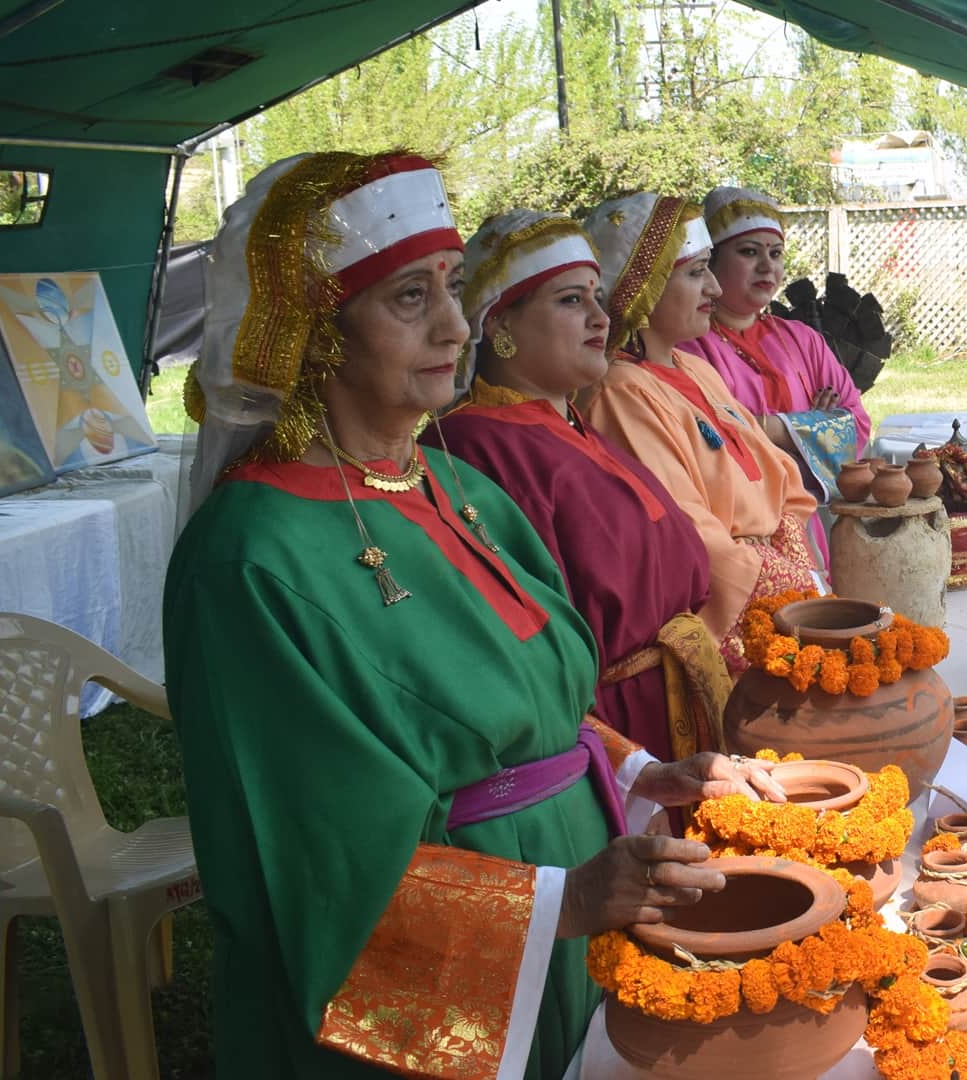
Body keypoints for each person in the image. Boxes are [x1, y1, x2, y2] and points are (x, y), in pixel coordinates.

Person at [167, 152, 782, 1079]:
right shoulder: (251, 554)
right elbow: (310, 849)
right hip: (460, 983)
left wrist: (648, 771)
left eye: (452, 287)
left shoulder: (455, 486)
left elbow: (532, 710)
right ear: (315, 333)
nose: (457, 324)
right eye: (409, 298)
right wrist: (559, 904)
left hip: (564, 924)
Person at [424, 209, 736, 760]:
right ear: (497, 323)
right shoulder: (476, 446)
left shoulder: (569, 423)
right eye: (571, 300)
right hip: (614, 734)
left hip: (670, 703)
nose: (601, 316)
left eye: (596, 295)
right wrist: (622, 765)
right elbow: (536, 637)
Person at [578, 193, 820, 670]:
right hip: (734, 609)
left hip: (781, 586)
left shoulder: (695, 369)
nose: (713, 287)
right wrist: (793, 591)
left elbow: (784, 478)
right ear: (644, 287)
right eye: (696, 272)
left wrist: (803, 576)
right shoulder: (622, 392)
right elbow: (686, 529)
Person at [681, 186, 869, 502]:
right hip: (743, 519)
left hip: (817, 513)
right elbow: (710, 440)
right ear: (711, 261)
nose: (767, 266)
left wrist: (766, 427)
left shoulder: (803, 340)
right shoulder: (690, 347)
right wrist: (812, 426)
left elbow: (858, 426)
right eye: (749, 252)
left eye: (776, 253)